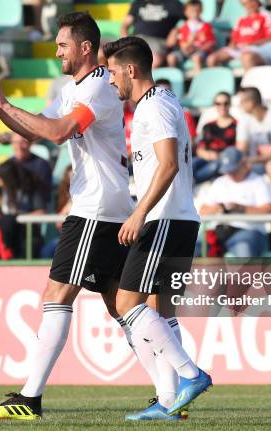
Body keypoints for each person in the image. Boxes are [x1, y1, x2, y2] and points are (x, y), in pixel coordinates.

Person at [0, 12, 134, 420]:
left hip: (94, 207)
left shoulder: (98, 86)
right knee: (122, 304)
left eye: (63, 45)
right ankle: (175, 387)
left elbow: (59, 132)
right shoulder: (74, 88)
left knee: (56, 295)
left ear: (86, 47)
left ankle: (30, 398)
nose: (57, 51)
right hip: (108, 205)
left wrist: (4, 104)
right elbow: (38, 130)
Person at [105, 36, 212, 421]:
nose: (111, 79)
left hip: (165, 218)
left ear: (131, 70)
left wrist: (139, 213)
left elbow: (168, 165)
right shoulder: (159, 104)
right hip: (176, 217)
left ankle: (191, 374)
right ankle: (169, 402)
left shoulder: (155, 107)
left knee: (125, 304)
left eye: (114, 71)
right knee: (160, 310)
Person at [199, 146, 271, 257]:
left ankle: (245, 275)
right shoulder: (219, 182)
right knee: (192, 248)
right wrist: (217, 208)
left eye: (233, 170)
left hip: (248, 230)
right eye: (227, 171)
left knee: (244, 250)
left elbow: (269, 211)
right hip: (219, 231)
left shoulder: (259, 182)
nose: (230, 174)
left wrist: (241, 209)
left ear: (243, 164)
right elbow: (203, 211)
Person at [0, 159, 47, 258]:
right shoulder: (0, 191)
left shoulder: (29, 189)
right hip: (7, 235)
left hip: (27, 234)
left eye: (0, 178)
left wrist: (17, 218)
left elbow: (41, 212)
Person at [207, 0, 271, 68]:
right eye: (245, 4)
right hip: (239, 49)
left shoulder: (265, 15)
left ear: (256, 2)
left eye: (250, 2)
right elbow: (234, 39)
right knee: (211, 59)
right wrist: (232, 45)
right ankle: (219, 79)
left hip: (257, 49)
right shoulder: (241, 19)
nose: (248, 6)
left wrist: (252, 44)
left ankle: (252, 80)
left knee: (246, 58)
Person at [120, 0, 185, 68]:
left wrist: (176, 30)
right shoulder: (138, 3)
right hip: (137, 39)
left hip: (159, 41)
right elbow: (125, 25)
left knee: (154, 59)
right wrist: (125, 41)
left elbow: (190, 20)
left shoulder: (173, 4)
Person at [192, 91, 236, 184]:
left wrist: (218, 156)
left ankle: (193, 181)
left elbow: (237, 150)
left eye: (226, 103)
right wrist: (206, 154)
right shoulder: (208, 125)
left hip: (223, 160)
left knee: (215, 165)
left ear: (230, 104)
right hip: (205, 157)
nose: (222, 106)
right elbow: (200, 147)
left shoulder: (236, 125)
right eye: (218, 103)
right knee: (191, 163)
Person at [166, 0, 216, 75]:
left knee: (196, 58)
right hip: (186, 52)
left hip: (200, 51)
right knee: (171, 57)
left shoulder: (206, 26)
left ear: (201, 11)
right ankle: (174, 78)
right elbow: (182, 45)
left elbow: (211, 43)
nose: (194, 13)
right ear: (186, 12)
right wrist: (189, 43)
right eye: (191, 11)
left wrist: (198, 48)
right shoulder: (183, 27)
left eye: (197, 11)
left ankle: (199, 79)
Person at [8, 131, 52, 204]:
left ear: (30, 143)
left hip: (36, 207)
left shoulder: (41, 165)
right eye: (16, 142)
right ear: (11, 144)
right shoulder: (6, 165)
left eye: (23, 142)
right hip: (12, 208)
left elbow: (44, 194)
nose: (19, 146)